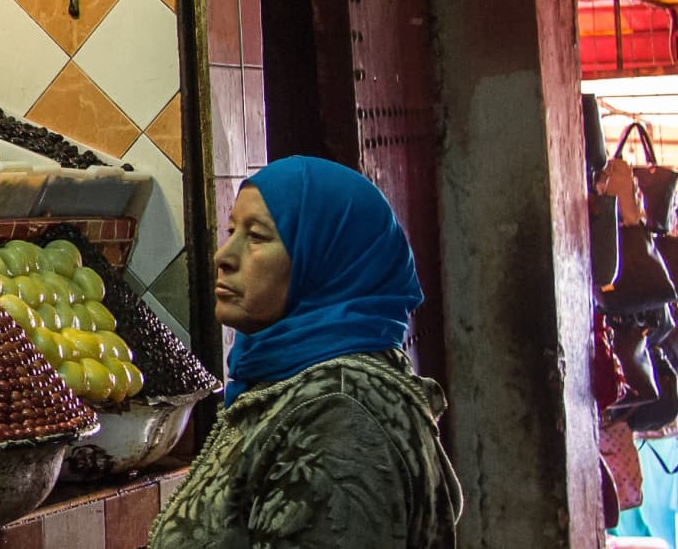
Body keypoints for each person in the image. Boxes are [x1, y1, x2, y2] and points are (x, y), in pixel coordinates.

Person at [149, 156, 463, 549]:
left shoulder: (340, 412)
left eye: (258, 237)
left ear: (326, 258)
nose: (223, 257)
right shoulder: (294, 385)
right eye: (232, 231)